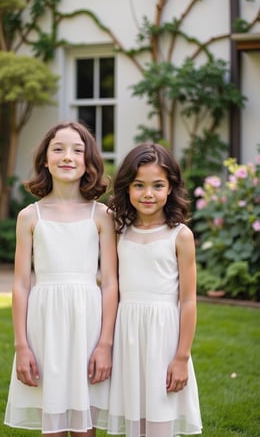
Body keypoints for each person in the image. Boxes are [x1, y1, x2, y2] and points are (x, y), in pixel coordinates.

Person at [4, 121, 118, 436]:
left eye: (77, 150)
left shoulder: (101, 215)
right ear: (45, 160)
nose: (67, 156)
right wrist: (22, 345)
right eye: (58, 149)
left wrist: (105, 344)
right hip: (45, 325)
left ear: (88, 162)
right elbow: (21, 284)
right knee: (52, 419)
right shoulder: (30, 216)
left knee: (85, 424)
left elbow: (110, 283)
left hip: (88, 325)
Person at [107, 143, 202, 437]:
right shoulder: (119, 229)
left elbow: (187, 300)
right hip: (128, 333)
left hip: (164, 336)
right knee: (135, 417)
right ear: (127, 187)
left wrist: (181, 357)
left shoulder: (180, 235)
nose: (148, 193)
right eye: (139, 185)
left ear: (171, 187)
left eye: (157, 185)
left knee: (160, 419)